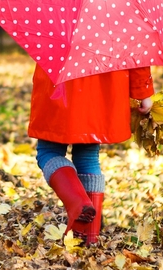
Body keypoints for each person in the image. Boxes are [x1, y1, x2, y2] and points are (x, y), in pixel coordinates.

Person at [28, 65, 154, 245]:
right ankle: (89, 237)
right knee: (87, 158)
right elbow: (134, 50)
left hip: (58, 83)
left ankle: (78, 203)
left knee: (48, 152)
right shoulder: (116, 34)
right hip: (101, 86)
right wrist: (143, 91)